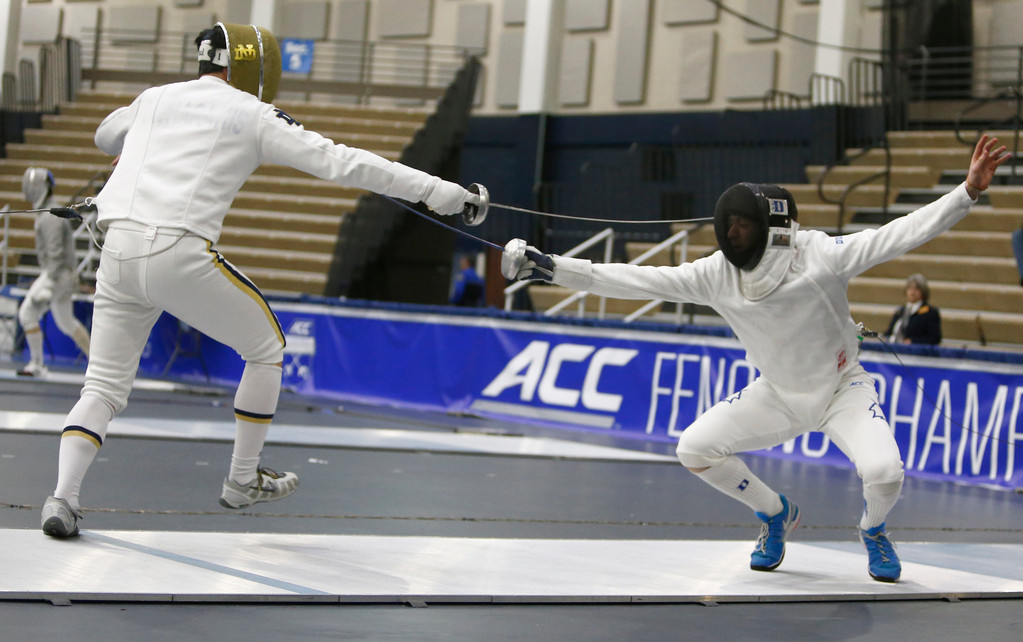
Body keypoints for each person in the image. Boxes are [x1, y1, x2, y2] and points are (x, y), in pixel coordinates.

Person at [502, 135, 1010, 582]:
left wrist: (965, 193)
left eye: (744, 225)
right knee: (694, 448)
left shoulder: (820, 255)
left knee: (885, 472)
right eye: (731, 226)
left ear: (771, 228)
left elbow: (900, 233)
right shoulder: (715, 273)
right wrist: (550, 267)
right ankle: (775, 513)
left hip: (841, 389)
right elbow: (635, 279)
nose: (735, 235)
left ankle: (873, 528)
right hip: (779, 394)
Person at [39, 22, 480, 538]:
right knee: (266, 347)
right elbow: (343, 162)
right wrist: (442, 192)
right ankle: (242, 480)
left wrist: (138, 136)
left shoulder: (155, 98)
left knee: (104, 387)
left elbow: (102, 135)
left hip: (115, 253)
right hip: (176, 250)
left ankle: (62, 498)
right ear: (251, 65)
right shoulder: (250, 113)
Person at [16, 168, 91, 377]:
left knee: (27, 314)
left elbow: (55, 253)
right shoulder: (47, 210)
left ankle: (37, 364)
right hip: (62, 274)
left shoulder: (50, 215)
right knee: (66, 322)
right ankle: (97, 364)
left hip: (57, 275)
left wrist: (48, 284)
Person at [885, 273, 941, 345]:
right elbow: (889, 332)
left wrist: (913, 341)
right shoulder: (900, 311)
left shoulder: (930, 312)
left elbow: (935, 338)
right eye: (910, 288)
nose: (912, 292)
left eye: (917, 288)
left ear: (923, 291)